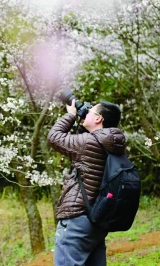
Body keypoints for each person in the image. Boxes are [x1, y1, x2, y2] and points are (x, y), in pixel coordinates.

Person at [47, 99, 126, 266]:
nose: (87, 111)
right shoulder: (110, 143)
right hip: (96, 220)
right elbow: (80, 145)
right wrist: (82, 122)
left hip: (77, 220)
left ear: (98, 119)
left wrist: (70, 115)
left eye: (91, 111)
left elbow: (53, 137)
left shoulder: (88, 142)